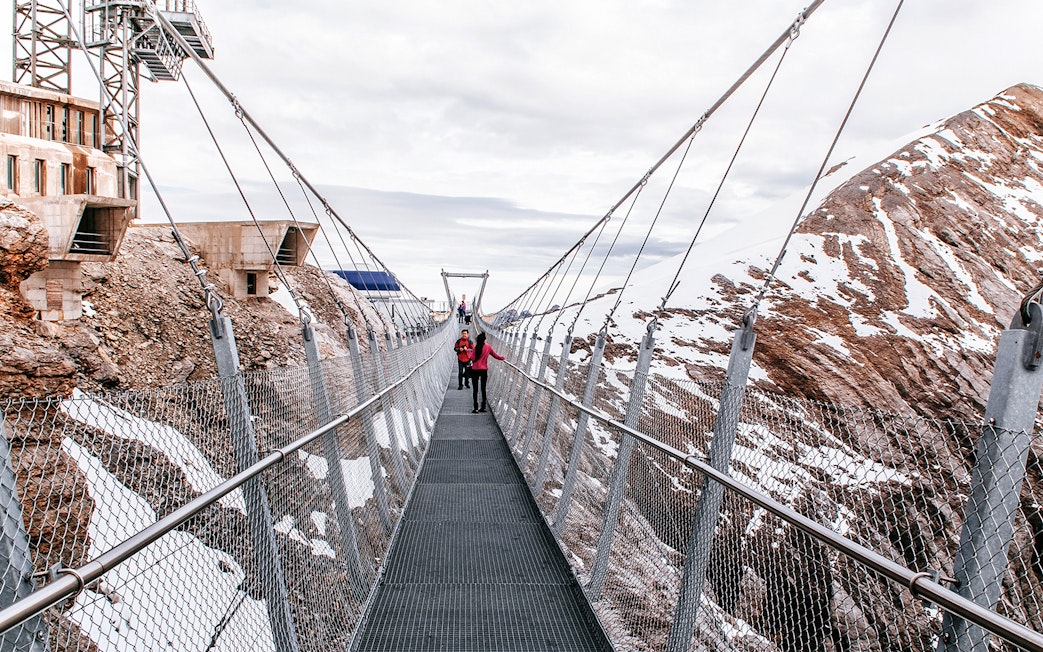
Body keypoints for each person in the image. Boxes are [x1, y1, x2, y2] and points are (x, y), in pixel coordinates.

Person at [469, 332, 504, 413]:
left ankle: (476, 408)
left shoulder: (475, 348)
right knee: (483, 388)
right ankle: (483, 407)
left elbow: (473, 359)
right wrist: (502, 358)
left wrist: (469, 353)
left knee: (475, 389)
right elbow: (495, 356)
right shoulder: (488, 347)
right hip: (484, 370)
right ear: (484, 340)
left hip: (475, 370)